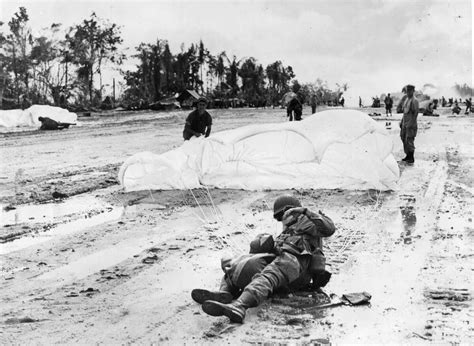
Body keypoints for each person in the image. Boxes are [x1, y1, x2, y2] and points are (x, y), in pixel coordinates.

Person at [199, 195, 335, 323]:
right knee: (237, 263)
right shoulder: (288, 231)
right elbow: (279, 250)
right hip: (284, 260)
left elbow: (329, 228)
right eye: (280, 217)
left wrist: (304, 211)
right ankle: (226, 293)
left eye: (284, 214)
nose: (283, 219)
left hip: (298, 264)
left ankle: (240, 305)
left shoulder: (310, 224)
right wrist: (267, 245)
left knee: (269, 275)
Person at [399, 84, 419, 164]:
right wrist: (402, 122)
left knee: (409, 140)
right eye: (407, 91)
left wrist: (411, 123)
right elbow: (405, 113)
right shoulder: (407, 99)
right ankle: (407, 155)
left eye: (410, 91)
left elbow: (415, 113)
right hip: (405, 123)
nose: (408, 93)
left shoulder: (415, 101)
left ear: (413, 91)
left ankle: (411, 157)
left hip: (411, 124)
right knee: (403, 138)